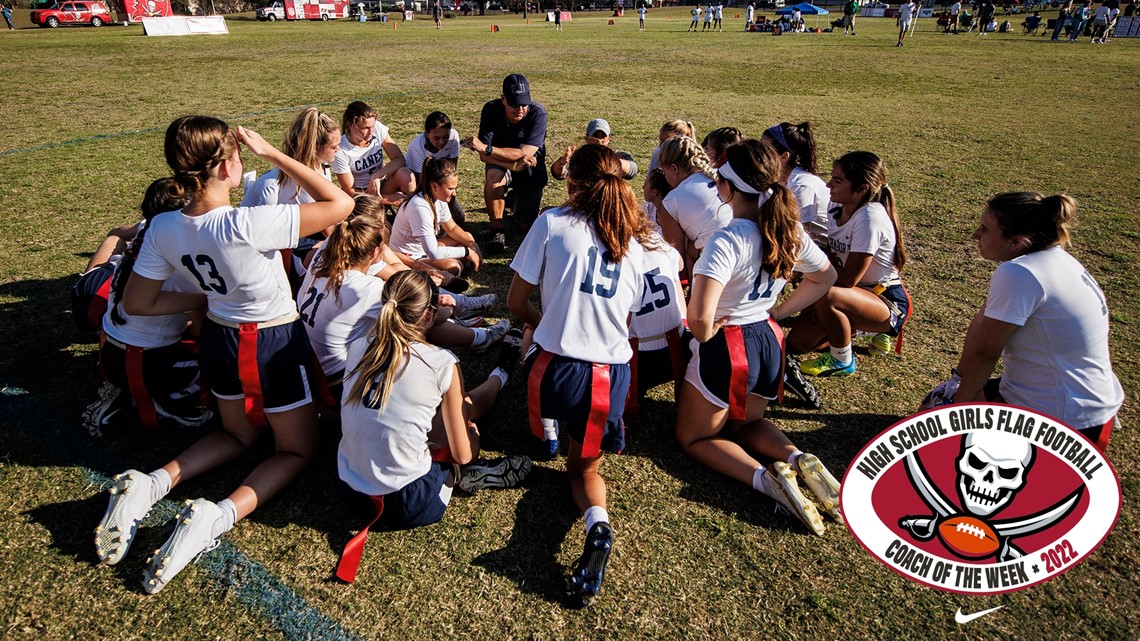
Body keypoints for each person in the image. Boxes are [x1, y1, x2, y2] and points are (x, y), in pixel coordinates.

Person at [94, 116, 355, 594]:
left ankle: (152, 483)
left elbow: (136, 302)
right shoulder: (248, 221)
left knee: (236, 435)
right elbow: (341, 203)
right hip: (272, 340)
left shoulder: (163, 226)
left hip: (219, 336)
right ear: (224, 166)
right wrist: (275, 155)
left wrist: (199, 299)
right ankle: (216, 516)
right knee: (296, 448)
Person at [507, 144, 654, 608]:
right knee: (583, 472)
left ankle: (544, 431)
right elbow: (629, 323)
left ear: (571, 181)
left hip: (552, 375)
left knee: (531, 342)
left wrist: (545, 318)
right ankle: (598, 525)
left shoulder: (551, 222)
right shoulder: (638, 244)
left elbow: (515, 304)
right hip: (608, 381)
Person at [675, 139, 841, 536]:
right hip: (769, 341)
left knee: (694, 437)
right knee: (746, 424)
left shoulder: (726, 239)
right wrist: (779, 312)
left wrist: (708, 331)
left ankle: (768, 482)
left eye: (718, 182)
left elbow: (699, 320)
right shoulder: (787, 230)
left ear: (730, 188)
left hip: (729, 347)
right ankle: (798, 457)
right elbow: (827, 277)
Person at [921, 193, 1123, 452]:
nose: (975, 235)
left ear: (1017, 241)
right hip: (1085, 404)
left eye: (985, 230)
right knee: (928, 412)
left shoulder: (1019, 273)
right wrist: (957, 381)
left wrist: (956, 411)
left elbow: (986, 353)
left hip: (1065, 420)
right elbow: (981, 325)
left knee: (939, 447)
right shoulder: (1053, 258)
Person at [338, 270, 531, 538]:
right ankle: (502, 373)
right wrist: (472, 436)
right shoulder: (441, 362)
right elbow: (464, 452)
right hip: (408, 502)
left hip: (350, 491)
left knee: (442, 413)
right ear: (429, 314)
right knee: (464, 415)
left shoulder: (358, 346)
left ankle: (500, 373)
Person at [83, 178, 211, 436]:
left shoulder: (147, 231)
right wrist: (199, 303)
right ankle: (156, 400)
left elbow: (119, 232)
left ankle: (124, 390)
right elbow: (198, 329)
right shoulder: (182, 255)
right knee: (217, 360)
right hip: (140, 364)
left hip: (109, 352)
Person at [786, 151, 911, 377]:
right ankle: (857, 329)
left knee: (826, 294)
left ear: (862, 189)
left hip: (883, 299)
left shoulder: (869, 218)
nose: (828, 185)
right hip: (851, 294)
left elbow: (849, 278)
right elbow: (834, 261)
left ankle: (842, 359)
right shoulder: (836, 209)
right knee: (796, 344)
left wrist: (806, 271)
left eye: (837, 181)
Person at [462, 73, 548, 254]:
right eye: (514, 104)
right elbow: (483, 157)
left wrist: (489, 149)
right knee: (494, 176)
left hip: (530, 168)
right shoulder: (491, 110)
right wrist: (513, 166)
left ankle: (514, 199)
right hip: (504, 165)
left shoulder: (538, 114)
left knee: (525, 225)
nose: (520, 109)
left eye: (524, 104)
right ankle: (497, 229)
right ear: (503, 99)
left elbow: (523, 153)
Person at [389, 156, 482, 277]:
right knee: (453, 266)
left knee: (467, 238)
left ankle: (455, 270)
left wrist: (472, 245)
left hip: (426, 249)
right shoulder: (419, 208)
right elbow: (433, 252)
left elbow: (451, 228)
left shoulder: (439, 199)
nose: (454, 193)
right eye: (450, 189)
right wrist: (466, 252)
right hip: (410, 256)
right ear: (434, 186)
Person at [656, 135, 730, 279]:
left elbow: (677, 262)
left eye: (664, 173)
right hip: (751, 255)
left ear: (674, 168)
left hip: (716, 268)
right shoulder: (724, 175)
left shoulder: (672, 201)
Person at [761, 122, 830, 249]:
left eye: (765, 149)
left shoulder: (802, 185)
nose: (759, 154)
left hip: (821, 253)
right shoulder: (778, 179)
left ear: (784, 156)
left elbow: (799, 236)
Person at [332, 101, 415, 203]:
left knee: (405, 174)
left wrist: (377, 176)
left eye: (373, 126)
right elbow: (351, 192)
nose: (371, 132)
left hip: (381, 184)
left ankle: (413, 212)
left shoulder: (377, 129)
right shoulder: (341, 150)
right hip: (361, 194)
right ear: (351, 125)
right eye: (366, 128)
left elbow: (399, 160)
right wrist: (386, 199)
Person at [404, 111, 465, 223]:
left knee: (459, 219)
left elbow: (451, 173)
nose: (442, 142)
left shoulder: (453, 137)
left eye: (445, 137)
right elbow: (422, 183)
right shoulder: (416, 148)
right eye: (436, 138)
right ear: (427, 134)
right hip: (420, 184)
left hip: (441, 184)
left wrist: (450, 202)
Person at [551, 118, 638, 183]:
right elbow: (558, 174)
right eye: (595, 136)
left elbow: (632, 170)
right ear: (587, 138)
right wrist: (563, 161)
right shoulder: (580, 156)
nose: (599, 140)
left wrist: (606, 155)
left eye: (602, 136)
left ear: (609, 138)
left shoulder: (618, 155)